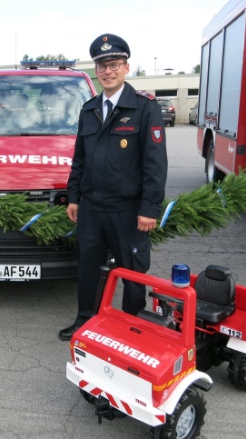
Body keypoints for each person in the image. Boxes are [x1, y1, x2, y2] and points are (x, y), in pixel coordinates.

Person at [59, 33, 168, 340]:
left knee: (132, 272)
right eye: (102, 65)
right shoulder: (89, 108)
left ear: (126, 67)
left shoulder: (145, 108)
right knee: (88, 270)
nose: (108, 71)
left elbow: (155, 163)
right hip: (92, 208)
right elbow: (79, 158)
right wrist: (74, 197)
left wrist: (149, 208)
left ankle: (131, 326)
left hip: (129, 210)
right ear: (96, 69)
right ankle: (85, 321)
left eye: (114, 64)